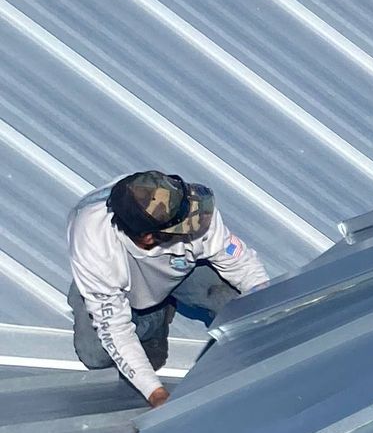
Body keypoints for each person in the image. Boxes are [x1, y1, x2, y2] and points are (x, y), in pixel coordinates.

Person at [67, 172, 268, 406]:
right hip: (122, 281)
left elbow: (242, 265)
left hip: (183, 271)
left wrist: (269, 308)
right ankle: (154, 318)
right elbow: (114, 328)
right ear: (148, 238)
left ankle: (161, 303)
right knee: (94, 353)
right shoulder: (92, 244)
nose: (195, 216)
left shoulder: (184, 201)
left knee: (234, 302)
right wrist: (156, 393)